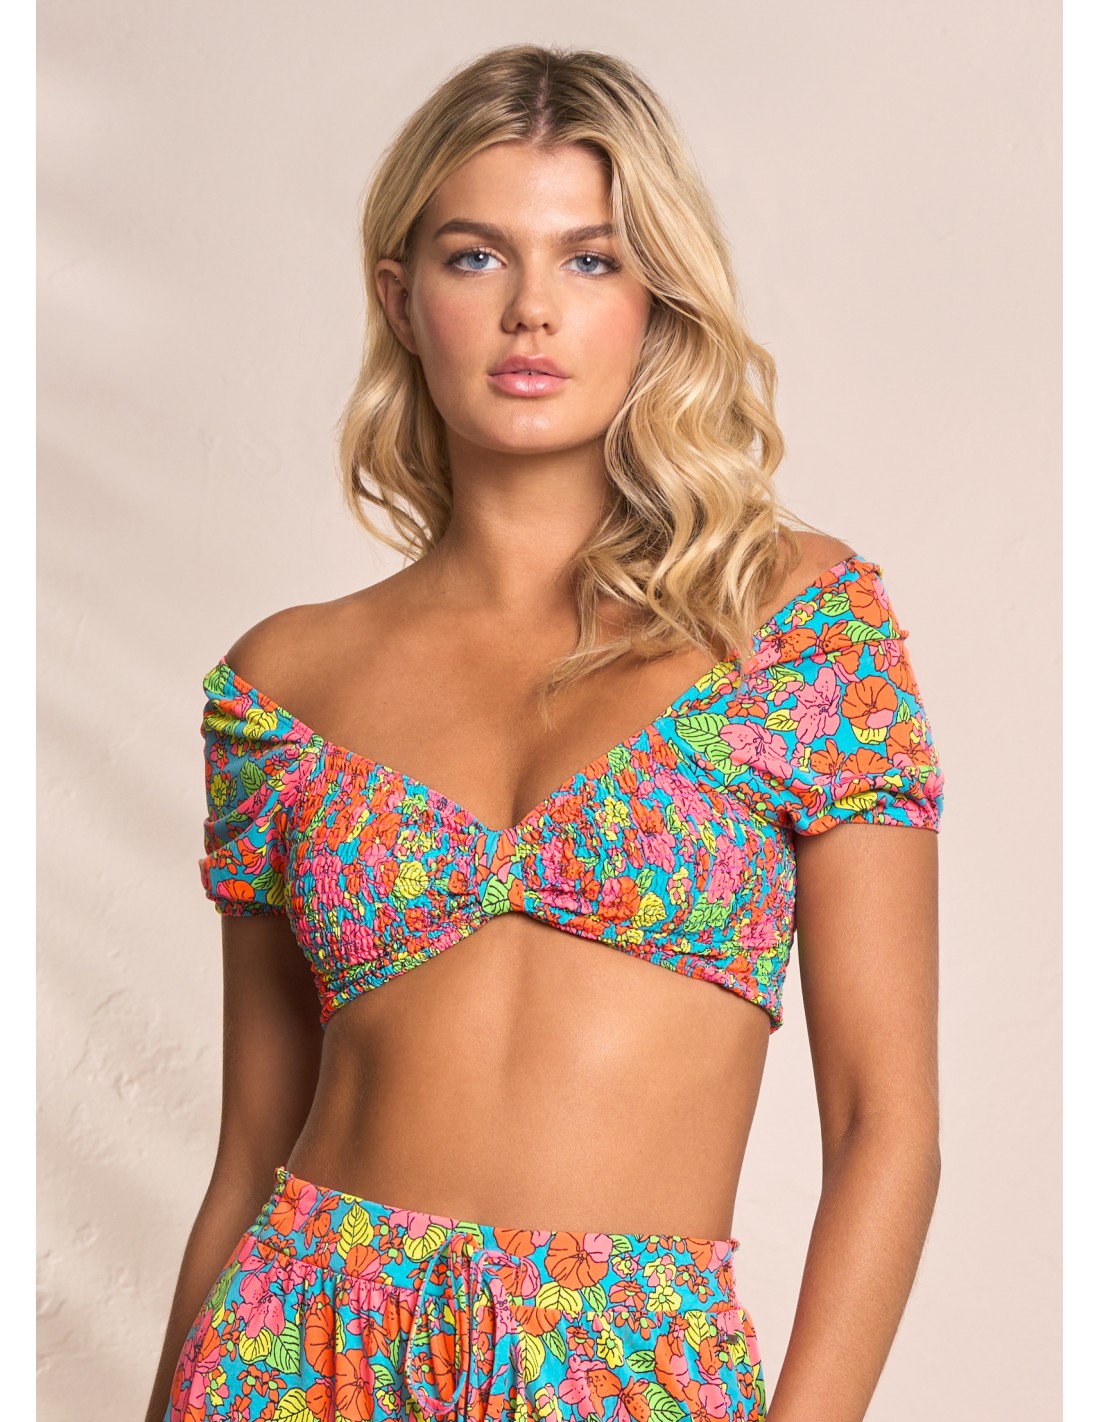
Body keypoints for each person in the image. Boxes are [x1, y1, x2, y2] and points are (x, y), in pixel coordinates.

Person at [146, 43, 946, 1422]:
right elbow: (248, 1151)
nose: (531, 310)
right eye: (475, 257)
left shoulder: (798, 628)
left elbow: (890, 1126)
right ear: (400, 298)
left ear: (655, 300)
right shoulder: (287, 687)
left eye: (590, 259)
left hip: (624, 1370)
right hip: (297, 1352)